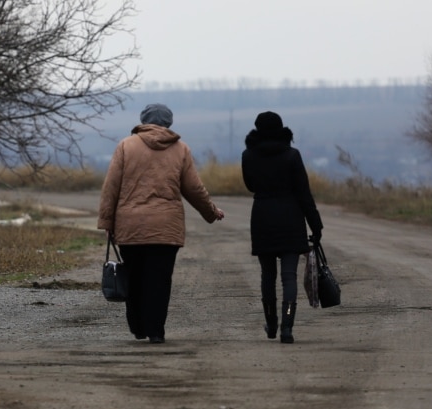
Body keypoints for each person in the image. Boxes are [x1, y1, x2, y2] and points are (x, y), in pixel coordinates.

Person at [98, 103, 225, 344]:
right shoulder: (180, 149)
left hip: (130, 225)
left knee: (134, 277)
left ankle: (137, 327)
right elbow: (194, 189)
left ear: (143, 121)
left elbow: (111, 187)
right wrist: (211, 212)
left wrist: (107, 222)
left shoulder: (126, 146)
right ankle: (156, 331)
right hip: (166, 227)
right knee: (159, 280)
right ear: (169, 122)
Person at [241, 111, 324, 344]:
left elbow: (250, 186)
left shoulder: (248, 155)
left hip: (262, 217)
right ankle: (287, 327)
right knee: (289, 277)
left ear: (257, 129)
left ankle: (271, 322)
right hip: (290, 217)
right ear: (281, 129)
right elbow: (304, 194)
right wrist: (315, 225)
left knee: (267, 275)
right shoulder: (292, 155)